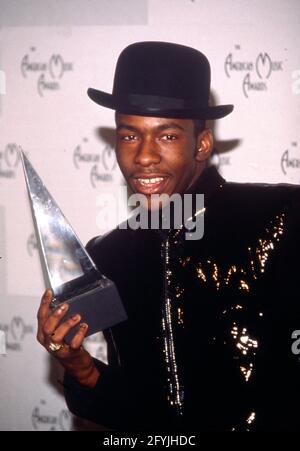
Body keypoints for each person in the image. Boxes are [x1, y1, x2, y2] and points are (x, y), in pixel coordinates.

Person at [37, 41, 300, 431]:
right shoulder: (108, 255)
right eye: (129, 136)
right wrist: (81, 368)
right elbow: (136, 410)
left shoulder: (280, 217)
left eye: (167, 136)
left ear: (202, 144)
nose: (143, 156)